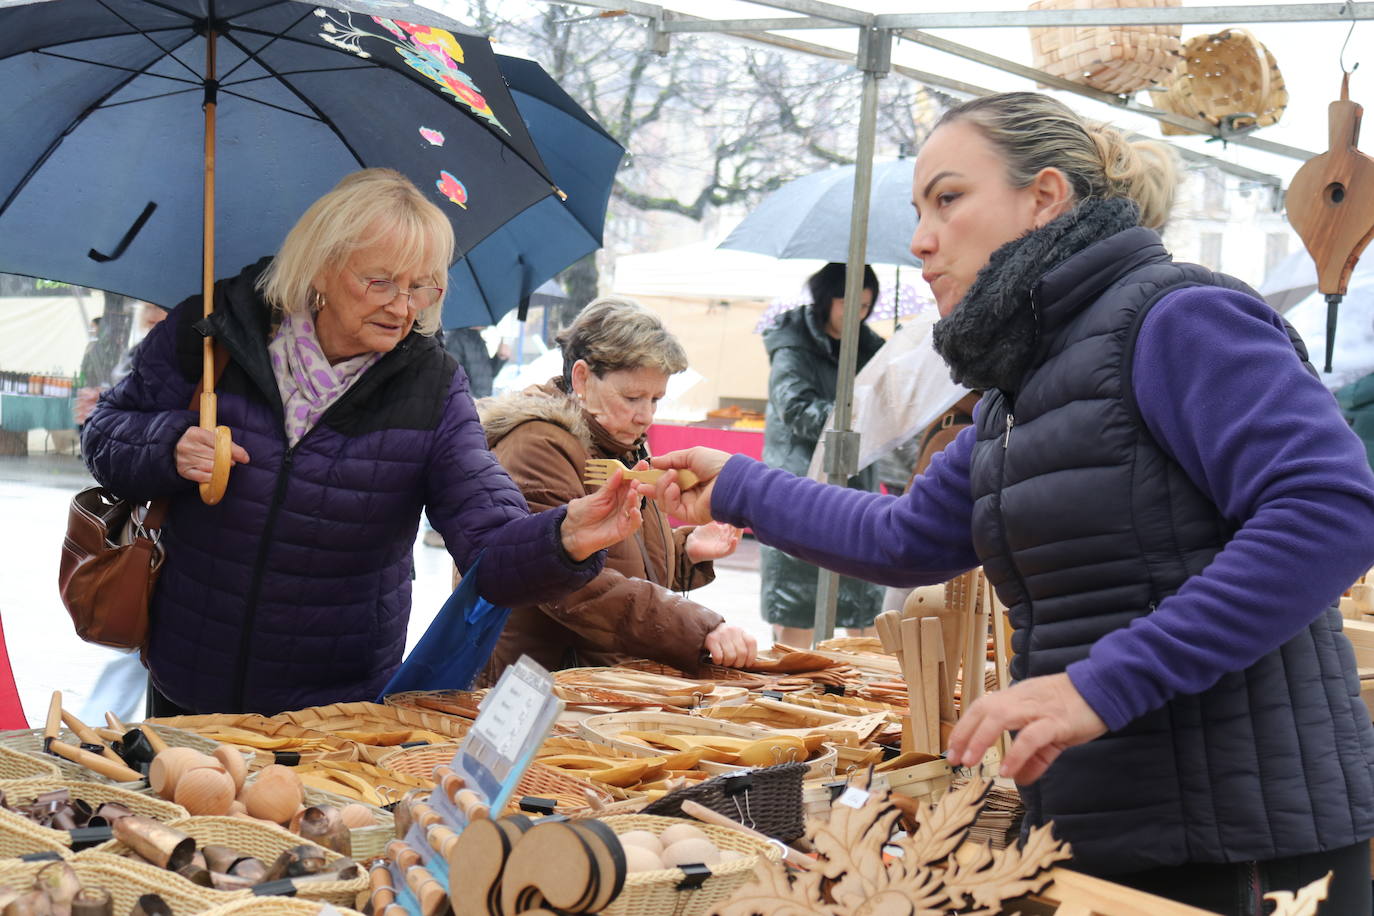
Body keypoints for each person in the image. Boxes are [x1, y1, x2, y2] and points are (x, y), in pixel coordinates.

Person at [639, 93, 1374, 913]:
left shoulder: (1177, 317)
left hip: (1244, 842)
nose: (920, 238)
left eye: (948, 199)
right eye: (920, 209)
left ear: (1045, 197)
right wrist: (737, 487)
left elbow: (1329, 509)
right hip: (1100, 822)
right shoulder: (1014, 392)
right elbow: (905, 537)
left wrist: (1099, 686)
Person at [81, 168, 641, 717]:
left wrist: (562, 539)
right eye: (381, 282)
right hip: (188, 677)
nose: (403, 306)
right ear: (321, 267)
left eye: (422, 286)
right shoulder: (209, 331)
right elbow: (105, 434)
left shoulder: (433, 386)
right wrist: (169, 445)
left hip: (331, 706)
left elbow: (487, 542)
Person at [475, 297, 756, 684]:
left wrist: (686, 550)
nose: (646, 415)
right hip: (540, 684)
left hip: (596, 680)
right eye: (632, 398)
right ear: (581, 378)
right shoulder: (536, 445)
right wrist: (696, 626)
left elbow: (621, 557)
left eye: (656, 399)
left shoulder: (618, 438)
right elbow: (572, 585)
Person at [761, 262, 886, 648]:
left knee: (861, 602)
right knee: (798, 605)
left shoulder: (874, 350)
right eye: (848, 305)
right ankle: (790, 695)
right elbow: (796, 408)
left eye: (864, 308)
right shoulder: (792, 346)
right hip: (798, 486)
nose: (857, 316)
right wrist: (852, 416)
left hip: (856, 490)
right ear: (825, 299)